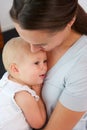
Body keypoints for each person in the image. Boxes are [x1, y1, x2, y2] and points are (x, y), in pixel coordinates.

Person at [9, 0, 87, 130]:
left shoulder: (82, 67)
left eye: (41, 43)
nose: (32, 49)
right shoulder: (34, 38)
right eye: (23, 38)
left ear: (70, 21)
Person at [0, 37, 47, 130]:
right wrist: (37, 94)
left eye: (45, 61)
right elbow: (39, 123)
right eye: (36, 63)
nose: (44, 67)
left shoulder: (6, 78)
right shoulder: (23, 95)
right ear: (15, 69)